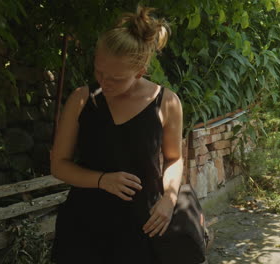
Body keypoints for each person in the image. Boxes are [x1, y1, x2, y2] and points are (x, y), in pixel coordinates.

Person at [50, 5, 185, 263]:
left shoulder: (167, 102)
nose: (104, 82)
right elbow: (58, 165)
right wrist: (102, 180)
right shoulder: (80, 99)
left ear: (140, 72)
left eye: (116, 78)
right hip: (82, 229)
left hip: (140, 229)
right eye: (99, 72)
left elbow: (175, 159)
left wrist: (169, 199)